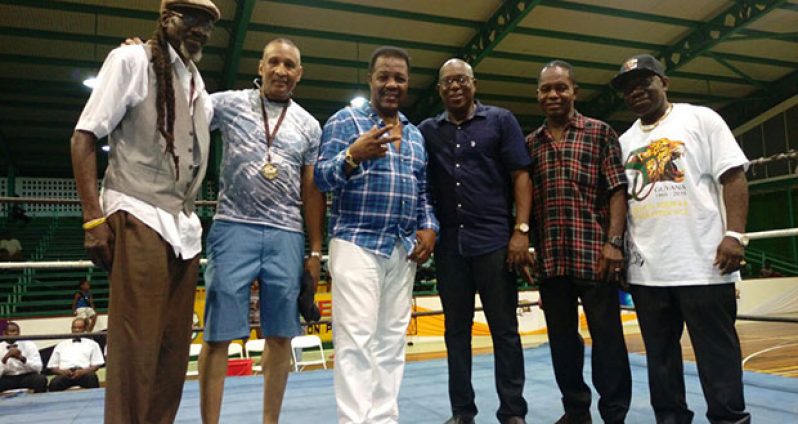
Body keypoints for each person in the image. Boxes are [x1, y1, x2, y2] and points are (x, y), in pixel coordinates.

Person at [69, 0, 219, 422]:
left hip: (184, 228)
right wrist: (94, 219)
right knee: (135, 351)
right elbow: (83, 137)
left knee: (172, 353)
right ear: (165, 18)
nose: (201, 31)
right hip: (138, 212)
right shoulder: (131, 60)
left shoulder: (194, 80)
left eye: (207, 24)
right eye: (191, 19)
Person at [612, 53, 751, 424]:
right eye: (628, 88)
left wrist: (734, 234)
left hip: (704, 264)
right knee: (660, 359)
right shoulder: (624, 142)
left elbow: (733, 176)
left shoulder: (700, 119)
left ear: (664, 83)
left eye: (644, 82)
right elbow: (623, 204)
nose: (636, 91)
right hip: (648, 273)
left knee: (716, 354)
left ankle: (729, 419)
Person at [197, 37, 325, 424]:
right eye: (275, 62)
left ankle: (271, 421)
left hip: (286, 232)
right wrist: (154, 61)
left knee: (281, 334)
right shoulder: (229, 103)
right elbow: (184, 106)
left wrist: (315, 251)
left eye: (289, 65)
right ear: (261, 66)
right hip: (233, 226)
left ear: (299, 74)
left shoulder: (308, 124)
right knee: (217, 335)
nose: (281, 71)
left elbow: (312, 190)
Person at [314, 46, 439, 424]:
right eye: (384, 76)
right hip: (356, 242)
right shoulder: (344, 122)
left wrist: (430, 227)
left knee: (391, 342)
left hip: (402, 249)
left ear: (407, 84)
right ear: (370, 79)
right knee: (355, 341)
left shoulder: (416, 136)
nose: (391, 84)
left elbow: (424, 194)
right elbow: (320, 178)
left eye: (399, 78)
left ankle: (384, 418)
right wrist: (351, 156)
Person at [418, 58, 531, 424]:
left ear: (474, 84)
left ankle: (512, 411)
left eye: (461, 80)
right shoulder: (427, 130)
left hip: (495, 242)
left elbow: (521, 176)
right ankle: (462, 413)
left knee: (505, 332)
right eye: (447, 81)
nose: (454, 86)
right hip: (450, 247)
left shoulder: (501, 121)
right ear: (439, 89)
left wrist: (521, 230)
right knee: (455, 334)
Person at [526, 60, 631, 424]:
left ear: (575, 91)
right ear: (538, 95)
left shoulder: (600, 132)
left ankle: (614, 413)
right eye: (546, 89)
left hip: (596, 255)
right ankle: (576, 411)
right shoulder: (531, 144)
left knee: (609, 340)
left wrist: (614, 242)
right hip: (553, 260)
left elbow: (618, 191)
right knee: (562, 343)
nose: (553, 94)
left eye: (561, 88)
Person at [47, 318, 104, 392]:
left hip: (84, 374)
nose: (76, 330)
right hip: (65, 374)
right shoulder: (61, 345)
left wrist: (83, 371)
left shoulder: (93, 344)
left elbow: (96, 365)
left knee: (92, 378)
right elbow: (52, 366)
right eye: (74, 327)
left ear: (85, 329)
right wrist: (62, 372)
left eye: (79, 328)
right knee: (54, 383)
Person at [0, 322, 47, 393]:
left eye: (17, 331)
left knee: (40, 379)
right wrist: (5, 358)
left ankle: (39, 402)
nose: (15, 334)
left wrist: (22, 358)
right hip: (7, 377)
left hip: (26, 377)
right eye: (12, 331)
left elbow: (38, 368)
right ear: (4, 333)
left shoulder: (29, 345)